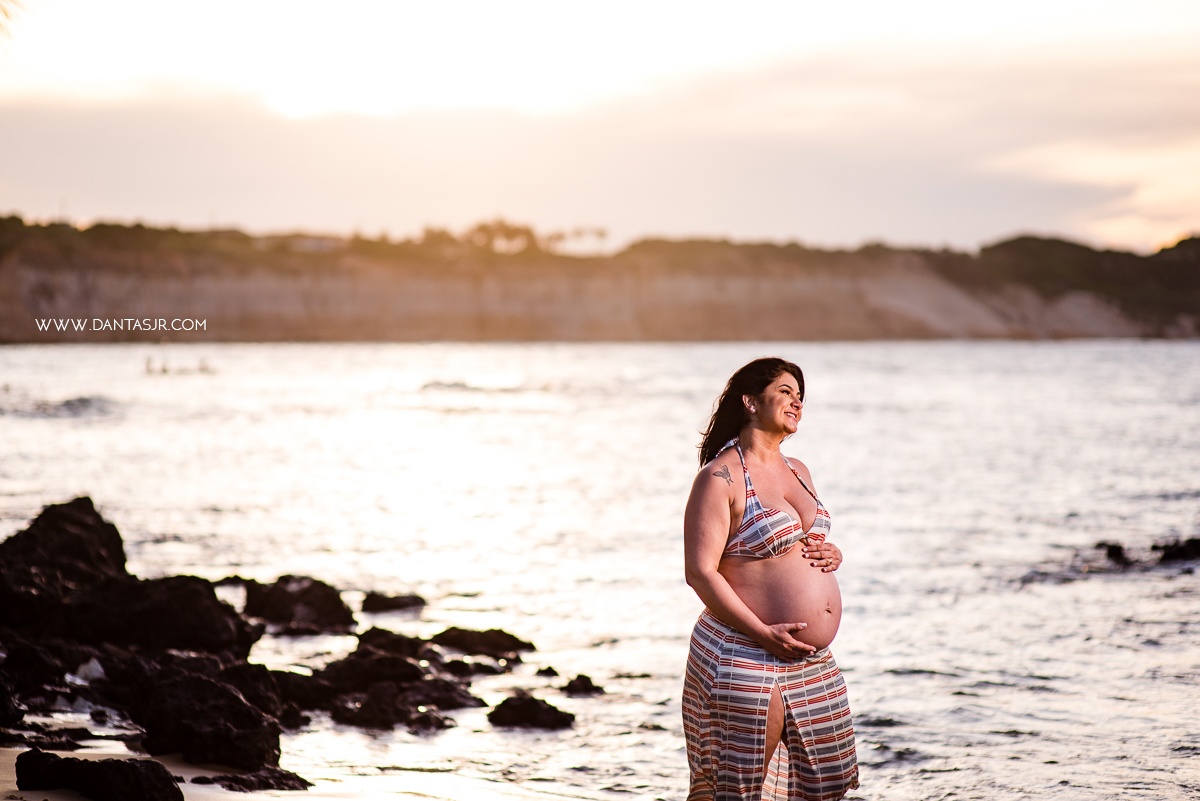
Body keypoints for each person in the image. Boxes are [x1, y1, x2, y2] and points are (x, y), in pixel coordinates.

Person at [682, 357, 858, 801]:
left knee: (827, 784)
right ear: (750, 402)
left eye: (800, 395)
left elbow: (804, 544)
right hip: (747, 649)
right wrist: (763, 632)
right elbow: (700, 572)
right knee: (737, 789)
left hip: (811, 660)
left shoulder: (798, 469)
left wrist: (831, 552)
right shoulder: (720, 477)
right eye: (785, 391)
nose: (797, 401)